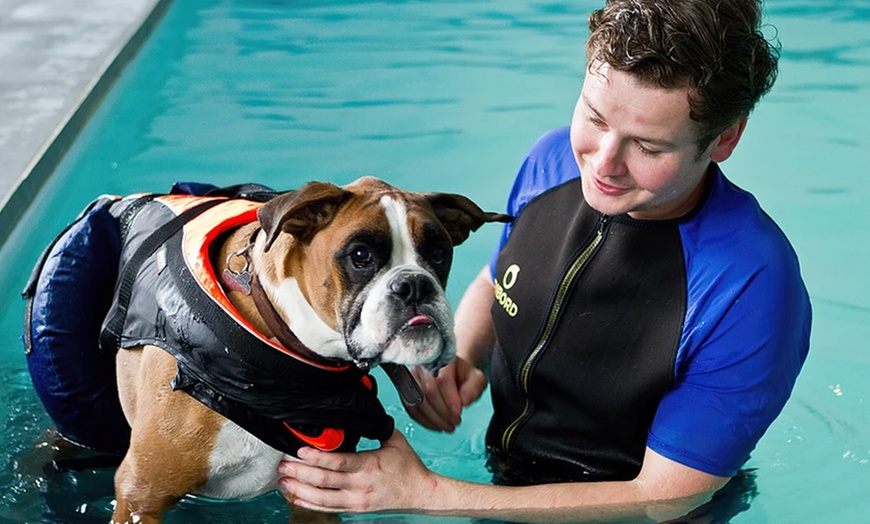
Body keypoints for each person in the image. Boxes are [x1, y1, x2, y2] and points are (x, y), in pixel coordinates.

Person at [276, 0, 812, 521]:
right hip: (500, 482)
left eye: (647, 147)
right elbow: (500, 276)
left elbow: (665, 499)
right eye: (595, 117)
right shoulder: (553, 161)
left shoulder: (753, 286)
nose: (603, 164)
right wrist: (463, 361)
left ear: (725, 138)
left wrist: (428, 493)